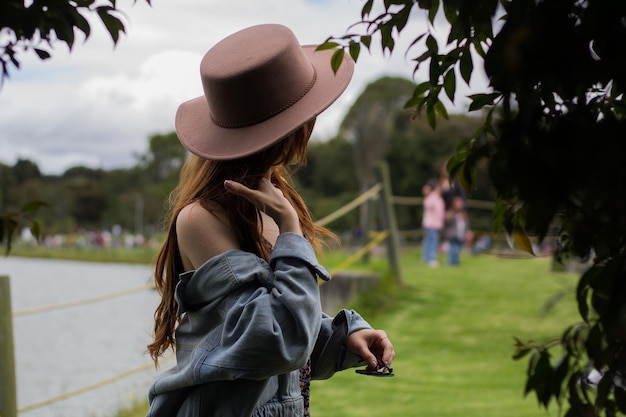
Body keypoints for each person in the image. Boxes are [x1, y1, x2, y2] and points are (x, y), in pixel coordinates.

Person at [145, 24, 395, 417]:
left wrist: (344, 337)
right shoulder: (202, 218)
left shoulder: (271, 199)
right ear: (292, 127)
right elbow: (276, 340)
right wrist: (291, 231)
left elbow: (288, 336)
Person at [421, 178, 445, 267]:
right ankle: (431, 259)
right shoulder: (433, 196)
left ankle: (426, 258)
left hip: (435, 224)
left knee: (429, 241)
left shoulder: (438, 198)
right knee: (432, 242)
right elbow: (427, 205)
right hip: (430, 224)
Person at [444, 196, 470, 265]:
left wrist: (467, 232)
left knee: (458, 248)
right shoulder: (451, 213)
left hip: (461, 234)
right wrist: (448, 217)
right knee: (453, 248)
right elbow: (447, 223)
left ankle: (455, 261)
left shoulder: (463, 214)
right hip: (453, 234)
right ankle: (450, 262)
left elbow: (466, 225)